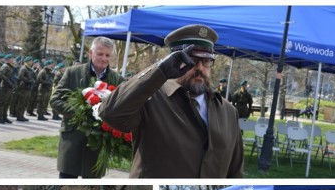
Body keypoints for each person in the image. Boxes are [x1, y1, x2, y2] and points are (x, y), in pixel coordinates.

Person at [97, 24, 244, 178]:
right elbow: (110, 113)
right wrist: (160, 71)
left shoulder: (228, 112)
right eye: (193, 59)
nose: (200, 68)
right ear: (175, 60)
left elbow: (236, 172)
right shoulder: (151, 97)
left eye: (206, 61)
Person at [51, 37, 125, 178]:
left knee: (92, 185)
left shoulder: (118, 80)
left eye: (107, 55)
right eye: (100, 53)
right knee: (66, 182)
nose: (103, 58)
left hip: (99, 143)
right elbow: (55, 100)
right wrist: (80, 113)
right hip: (72, 138)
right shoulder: (72, 73)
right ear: (91, 53)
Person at [0, 54, 17, 124]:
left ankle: (4, 116)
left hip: (9, 86)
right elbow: (0, 74)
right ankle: (0, 117)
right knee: (2, 102)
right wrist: (7, 80)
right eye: (11, 58)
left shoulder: (11, 66)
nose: (13, 60)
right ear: (8, 59)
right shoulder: (5, 66)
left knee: (7, 102)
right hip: (5, 86)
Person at [15, 56, 36, 122]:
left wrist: (32, 81)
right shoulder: (23, 68)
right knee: (21, 102)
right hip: (23, 87)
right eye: (31, 61)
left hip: (28, 87)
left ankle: (22, 115)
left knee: (25, 102)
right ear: (27, 61)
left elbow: (32, 77)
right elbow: (20, 77)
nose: (32, 62)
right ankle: (19, 115)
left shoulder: (30, 69)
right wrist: (28, 80)